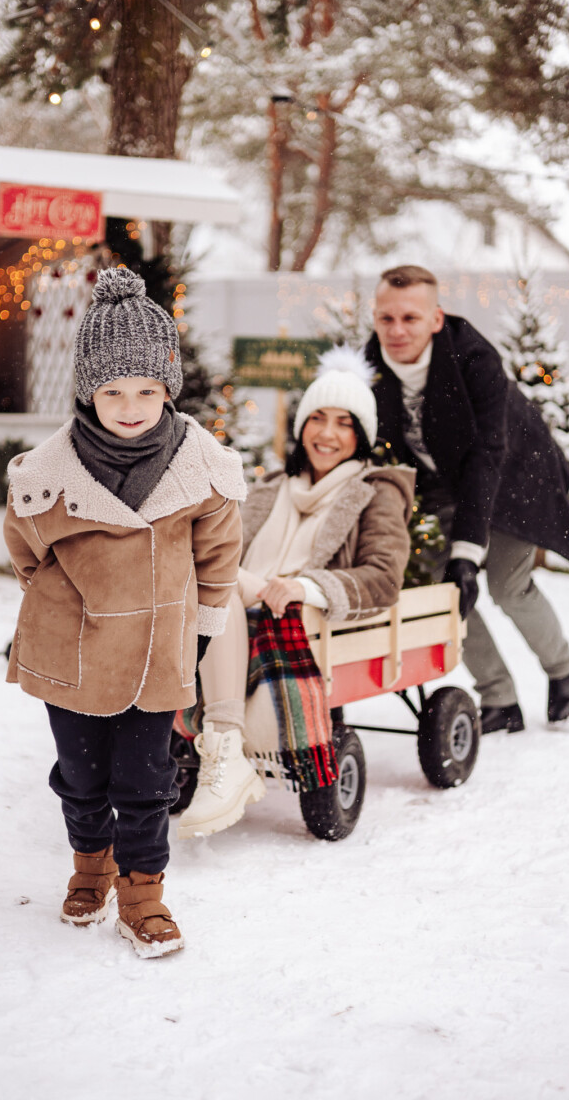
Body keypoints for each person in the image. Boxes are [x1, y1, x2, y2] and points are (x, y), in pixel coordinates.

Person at [3, 267, 245, 957]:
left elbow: (218, 557)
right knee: (80, 775)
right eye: (112, 390)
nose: (130, 405)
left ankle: (143, 896)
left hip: (155, 655)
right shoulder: (48, 474)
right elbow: (24, 548)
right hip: (69, 651)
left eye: (145, 389)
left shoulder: (199, 471)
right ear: (88, 391)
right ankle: (91, 866)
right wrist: (61, 608)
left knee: (145, 779)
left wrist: (199, 631)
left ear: (168, 388)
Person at [177, 347, 414, 839]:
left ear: (362, 434)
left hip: (296, 616)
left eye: (344, 423)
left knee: (210, 586)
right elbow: (225, 550)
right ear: (302, 424)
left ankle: (223, 745)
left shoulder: (378, 491)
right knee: (198, 573)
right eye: (318, 419)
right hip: (242, 600)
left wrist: (306, 586)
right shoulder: (270, 485)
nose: (327, 434)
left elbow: (384, 577)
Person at [366, 264, 569, 734]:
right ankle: (500, 699)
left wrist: (467, 550)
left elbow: (488, 456)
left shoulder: (474, 359)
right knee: (441, 590)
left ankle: (564, 669)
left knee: (506, 584)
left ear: (436, 319)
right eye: (387, 319)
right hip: (443, 483)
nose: (397, 330)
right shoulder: (372, 365)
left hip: (516, 480)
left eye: (411, 318)